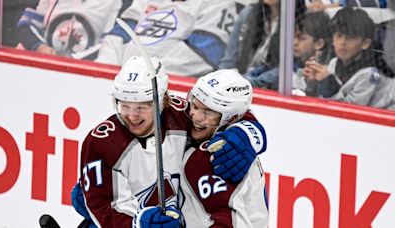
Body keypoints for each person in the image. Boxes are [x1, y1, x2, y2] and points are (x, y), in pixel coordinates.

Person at [73, 55, 191, 227]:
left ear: (162, 100)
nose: (132, 116)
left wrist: (244, 132)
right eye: (125, 106)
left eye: (142, 107)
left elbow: (226, 116)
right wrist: (139, 224)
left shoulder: (182, 116)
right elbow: (103, 208)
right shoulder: (103, 143)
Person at [181, 69, 269, 227]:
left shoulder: (224, 157)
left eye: (208, 112)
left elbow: (228, 219)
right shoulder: (229, 136)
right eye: (194, 104)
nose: (196, 116)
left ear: (232, 119)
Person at [95, 0, 238, 77]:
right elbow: (120, 32)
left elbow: (201, 57)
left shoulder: (219, 4)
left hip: (167, 90)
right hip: (121, 77)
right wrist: (105, 69)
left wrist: (145, 75)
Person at [303, 7, 395, 109]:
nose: (342, 42)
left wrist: (328, 82)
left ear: (365, 43)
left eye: (351, 37)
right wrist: (313, 82)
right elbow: (322, 98)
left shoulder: (370, 74)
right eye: (339, 35)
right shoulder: (334, 62)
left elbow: (351, 111)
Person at [13, 0, 123, 59]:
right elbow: (25, 25)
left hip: (84, 71)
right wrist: (40, 47)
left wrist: (69, 61)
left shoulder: (116, 2)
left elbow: (109, 43)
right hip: (42, 61)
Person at [292, 11, 334, 96]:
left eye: (301, 38)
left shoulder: (329, 69)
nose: (294, 42)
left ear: (319, 44)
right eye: (293, 36)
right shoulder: (293, 61)